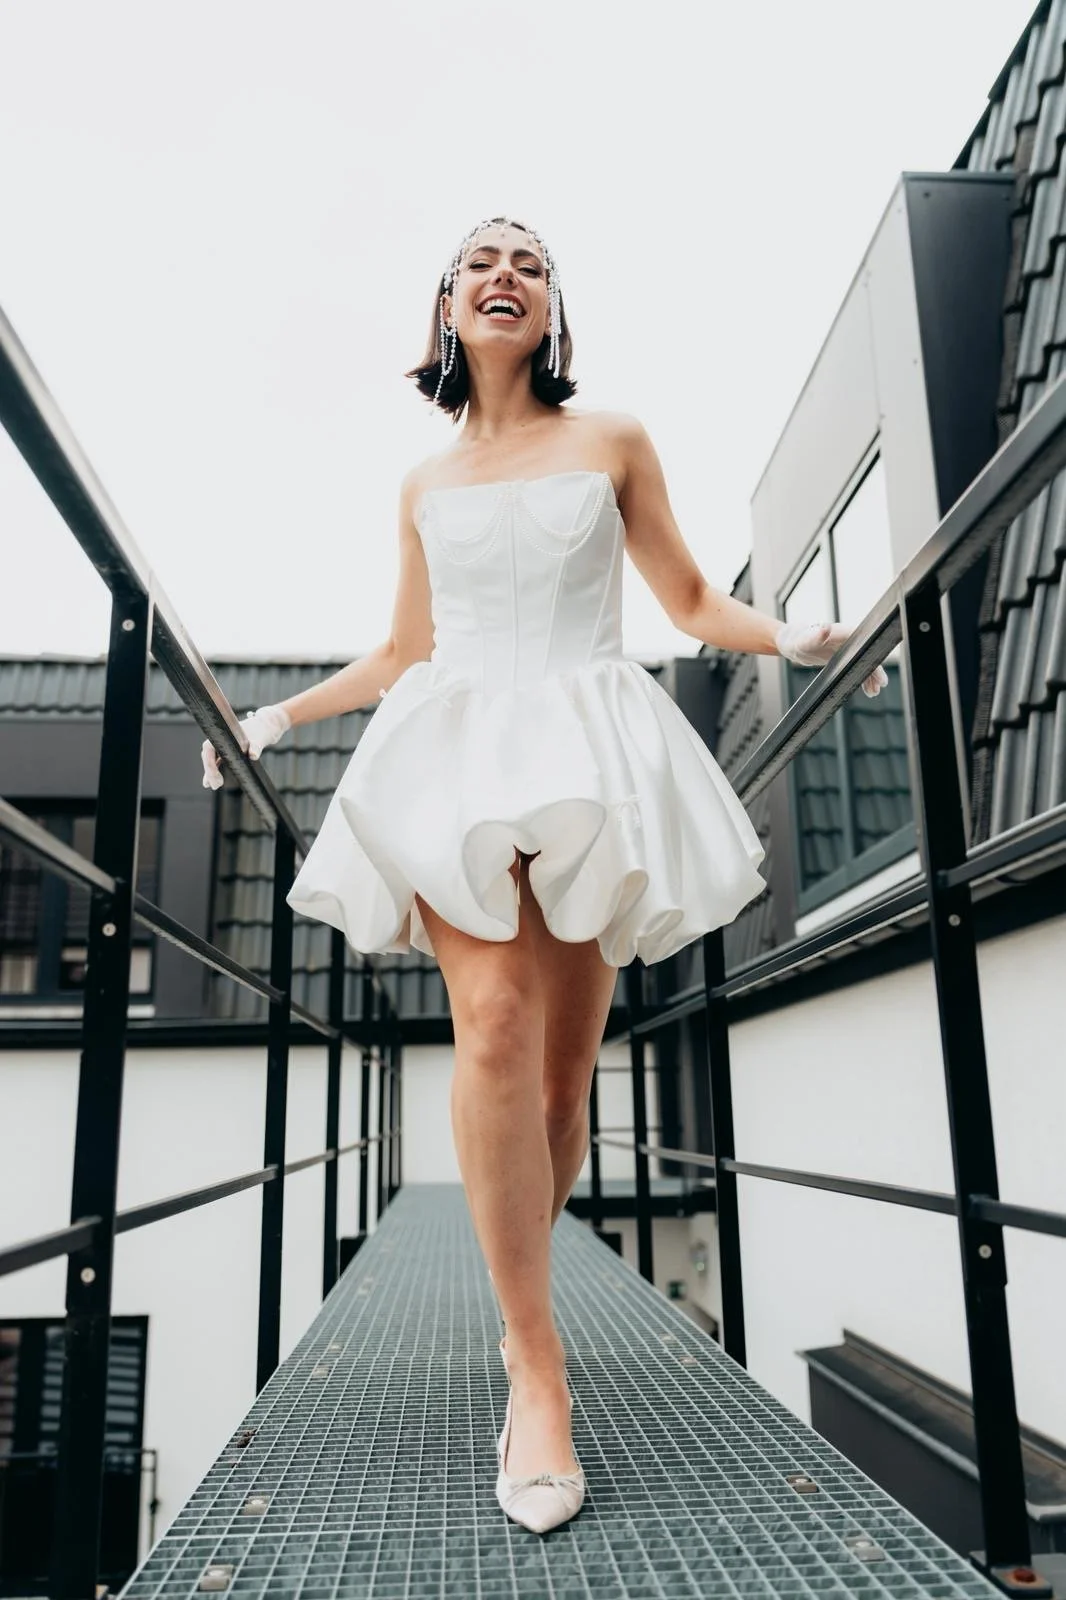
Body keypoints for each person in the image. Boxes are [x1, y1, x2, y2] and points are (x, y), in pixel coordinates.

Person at [200, 216, 887, 1535]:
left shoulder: (612, 440)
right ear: (445, 312)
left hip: (585, 746)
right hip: (455, 747)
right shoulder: (418, 481)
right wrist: (277, 721)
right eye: (478, 261)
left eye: (527, 259)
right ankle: (536, 1360)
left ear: (550, 309)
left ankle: (517, 1279)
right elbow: (404, 648)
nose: (503, 272)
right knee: (495, 1028)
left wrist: (791, 635)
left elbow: (687, 603)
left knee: (564, 1084)